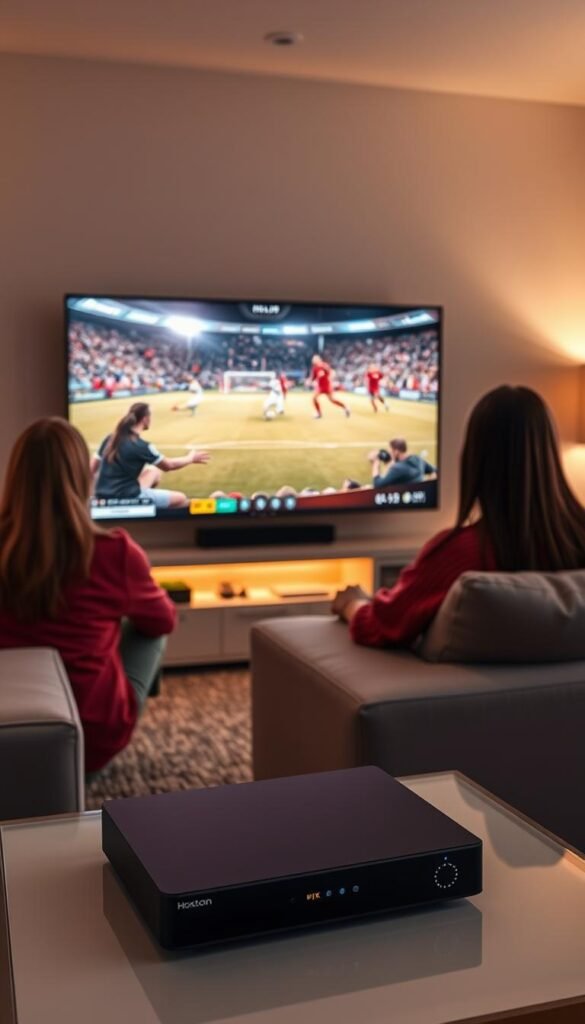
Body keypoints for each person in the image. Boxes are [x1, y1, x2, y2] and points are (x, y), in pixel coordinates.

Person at [332, 386, 585, 647]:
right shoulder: (576, 540)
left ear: (475, 458)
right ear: (550, 453)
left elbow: (375, 626)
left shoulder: (459, 555)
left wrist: (351, 602)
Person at [0, 418, 177, 774]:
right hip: (88, 739)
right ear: (83, 478)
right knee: (150, 629)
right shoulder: (115, 553)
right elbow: (164, 620)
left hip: (9, 728)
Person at [92, 402, 210, 509]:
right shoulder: (141, 446)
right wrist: (190, 458)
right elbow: (169, 465)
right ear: (145, 419)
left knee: (153, 471)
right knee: (181, 498)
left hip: (103, 495)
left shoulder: (110, 438)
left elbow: (91, 468)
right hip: (127, 499)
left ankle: (147, 505)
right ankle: (208, 506)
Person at [369, 438, 436, 487]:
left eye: (390, 451)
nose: (389, 454)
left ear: (396, 452)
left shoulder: (398, 469)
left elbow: (378, 485)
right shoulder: (418, 459)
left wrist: (375, 464)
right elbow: (435, 470)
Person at [309, 355, 351, 419]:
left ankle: (345, 407)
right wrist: (310, 381)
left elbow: (332, 372)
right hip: (320, 387)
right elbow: (313, 377)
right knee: (314, 398)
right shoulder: (315, 368)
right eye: (313, 359)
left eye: (315, 359)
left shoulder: (324, 365)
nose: (314, 361)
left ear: (319, 359)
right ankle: (318, 413)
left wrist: (330, 378)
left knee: (332, 400)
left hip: (327, 385)